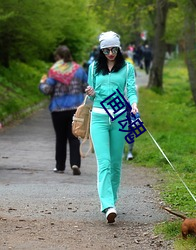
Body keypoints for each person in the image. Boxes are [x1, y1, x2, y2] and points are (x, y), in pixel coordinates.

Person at [85, 31, 138, 223]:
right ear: (101, 50)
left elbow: (131, 90)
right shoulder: (93, 68)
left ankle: (112, 201)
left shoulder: (127, 68)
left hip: (119, 118)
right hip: (98, 118)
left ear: (119, 48)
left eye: (114, 49)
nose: (110, 53)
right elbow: (91, 96)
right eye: (106, 50)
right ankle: (107, 205)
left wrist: (133, 103)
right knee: (104, 163)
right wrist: (90, 92)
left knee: (116, 163)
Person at [39, 45, 88, 175]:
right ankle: (75, 163)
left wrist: (42, 83)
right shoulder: (79, 70)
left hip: (58, 109)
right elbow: (86, 87)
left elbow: (47, 90)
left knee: (60, 138)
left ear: (58, 57)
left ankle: (60, 166)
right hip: (75, 109)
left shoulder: (54, 71)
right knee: (74, 137)